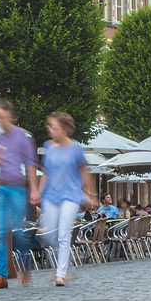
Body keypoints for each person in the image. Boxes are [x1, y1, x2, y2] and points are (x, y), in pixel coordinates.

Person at [34, 110, 95, 287]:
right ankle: (67, 266)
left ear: (63, 129)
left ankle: (60, 274)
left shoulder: (75, 148)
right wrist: (38, 191)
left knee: (63, 235)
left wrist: (89, 194)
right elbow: (46, 172)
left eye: (53, 126)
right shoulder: (49, 146)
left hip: (70, 195)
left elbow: (84, 170)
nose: (49, 129)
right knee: (50, 233)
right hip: (51, 196)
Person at [0, 98, 38, 290]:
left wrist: (34, 189)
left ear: (9, 115)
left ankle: (25, 267)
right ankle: (1, 276)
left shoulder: (23, 138)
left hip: (16, 188)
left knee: (17, 231)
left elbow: (31, 164)